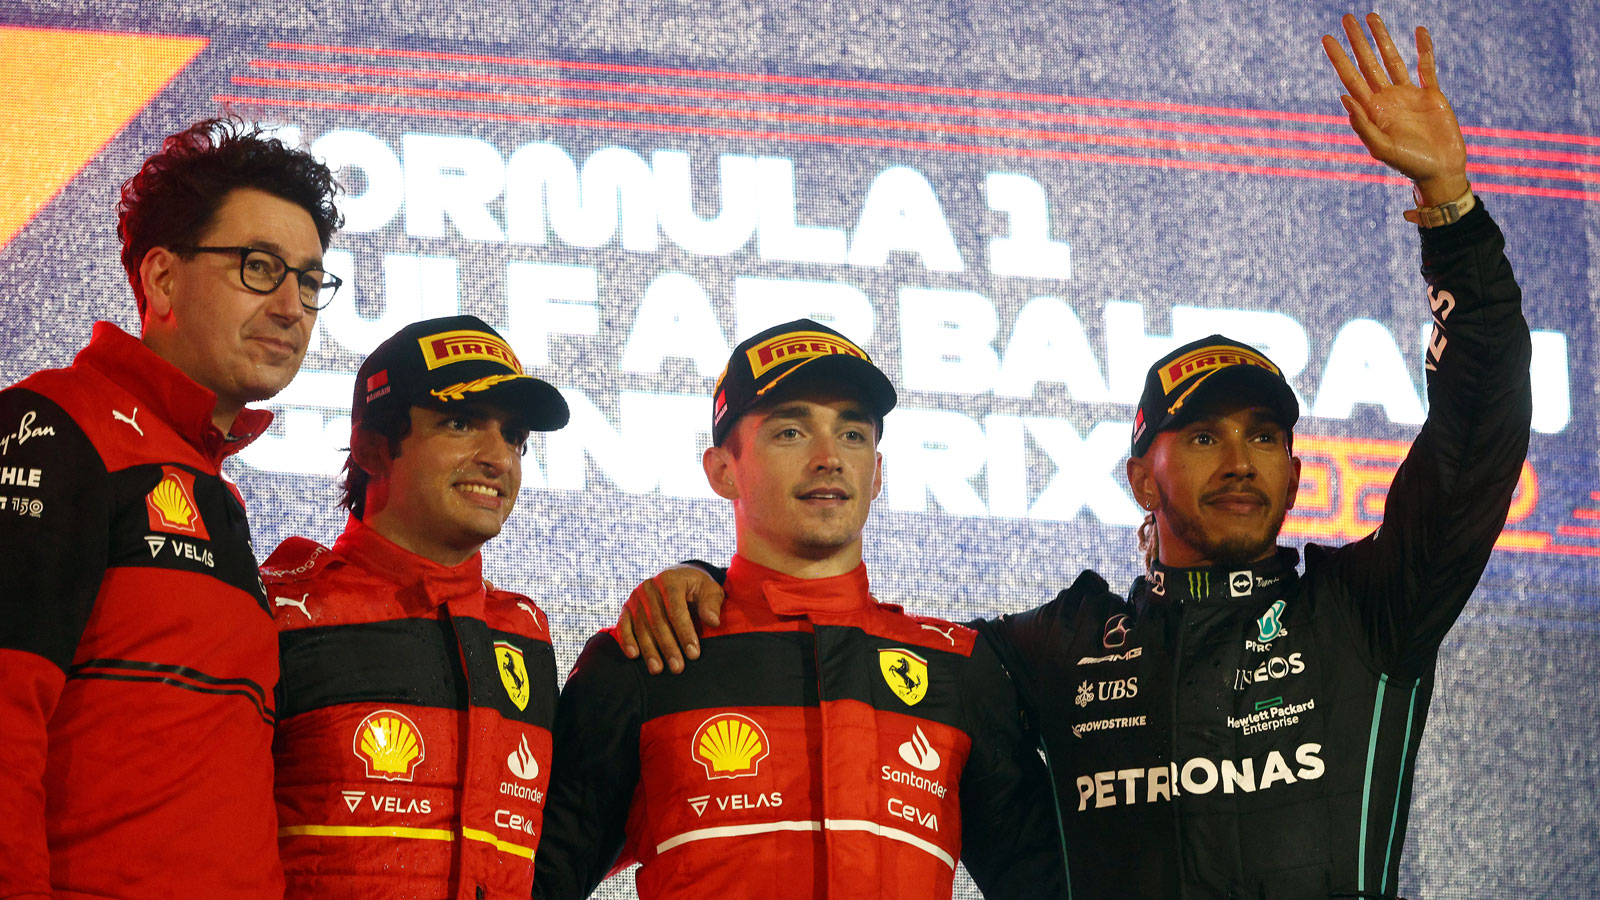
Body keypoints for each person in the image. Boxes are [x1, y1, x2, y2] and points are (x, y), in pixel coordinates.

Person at [617, 14, 1531, 899]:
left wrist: (1450, 210)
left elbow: (1476, 435)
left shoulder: (1368, 612)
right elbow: (843, 634)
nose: (1242, 461)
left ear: (1297, 471)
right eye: (1204, 437)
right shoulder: (1058, 647)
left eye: (1265, 437)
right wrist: (704, 585)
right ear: (1141, 476)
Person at [532, 320, 1063, 900]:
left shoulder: (959, 669)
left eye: (854, 435)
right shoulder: (649, 654)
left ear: (879, 472)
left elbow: (1050, 884)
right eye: (790, 431)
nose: (829, 458)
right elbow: (535, 881)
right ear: (722, 470)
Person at [0, 117, 342, 899]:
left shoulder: (206, 481)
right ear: (160, 280)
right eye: (259, 268)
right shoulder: (57, 427)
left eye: (310, 280)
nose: (292, 306)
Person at [263, 315, 570, 898]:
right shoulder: (282, 610)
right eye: (461, 423)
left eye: (515, 438)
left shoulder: (526, 631)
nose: (499, 459)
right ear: (373, 448)